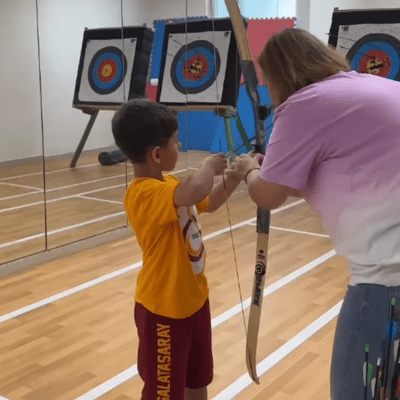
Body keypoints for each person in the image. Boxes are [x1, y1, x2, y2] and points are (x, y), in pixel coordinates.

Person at [235, 28, 400, 399]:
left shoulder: (304, 105)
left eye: (268, 77)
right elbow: (342, 172)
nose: (267, 86)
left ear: (282, 73)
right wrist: (275, 171)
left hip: (388, 286)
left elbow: (267, 195)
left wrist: (248, 171)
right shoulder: (379, 86)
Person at [111, 99, 244, 400]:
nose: (180, 145)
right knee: (164, 393)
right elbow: (196, 189)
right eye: (175, 141)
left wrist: (233, 178)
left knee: (197, 380)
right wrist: (208, 166)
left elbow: (209, 201)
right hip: (163, 311)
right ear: (157, 155)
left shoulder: (170, 184)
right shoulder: (144, 193)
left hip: (194, 301)